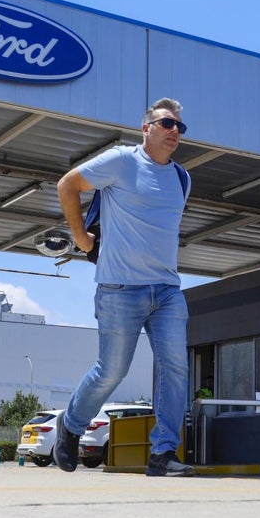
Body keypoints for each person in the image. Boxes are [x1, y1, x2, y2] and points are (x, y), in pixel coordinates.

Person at [55, 97, 194, 477]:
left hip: (166, 290)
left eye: (180, 127)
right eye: (167, 124)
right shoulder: (121, 161)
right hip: (119, 288)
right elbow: (68, 185)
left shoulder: (182, 179)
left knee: (175, 367)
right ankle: (70, 426)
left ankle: (162, 454)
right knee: (112, 370)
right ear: (146, 127)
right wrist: (82, 238)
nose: (174, 132)